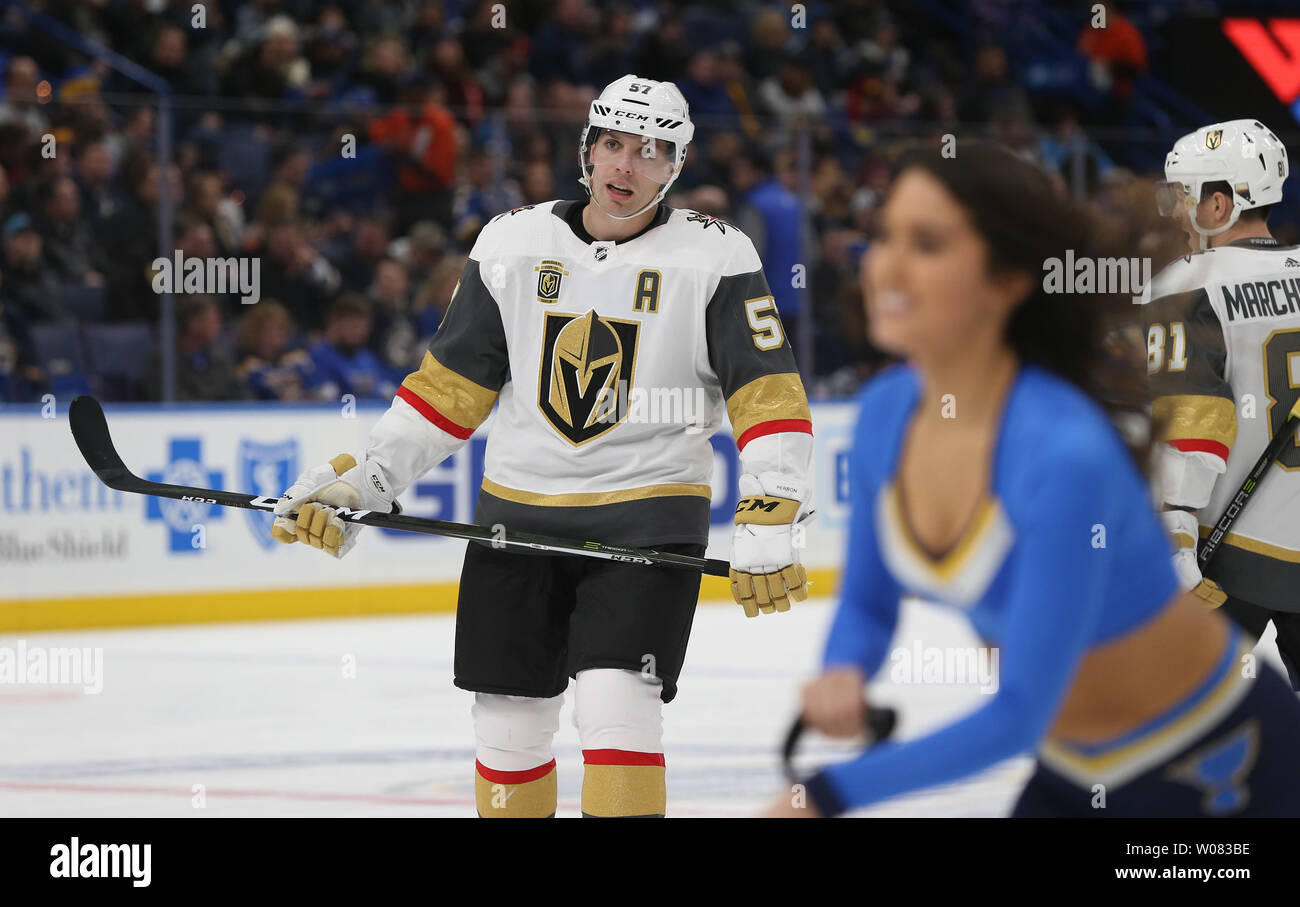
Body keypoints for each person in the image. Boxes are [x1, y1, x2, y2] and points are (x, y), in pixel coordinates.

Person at [271, 75, 814, 818]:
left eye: (651, 153)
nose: (626, 167)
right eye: (614, 145)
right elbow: (448, 390)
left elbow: (768, 393)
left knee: (616, 703)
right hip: (516, 517)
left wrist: (771, 503)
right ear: (586, 148)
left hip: (647, 518)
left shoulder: (714, 256)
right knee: (507, 723)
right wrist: (366, 480)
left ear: (677, 167)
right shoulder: (511, 242)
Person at [767, 141, 1300, 818]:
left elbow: (1020, 712)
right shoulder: (884, 413)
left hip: (1226, 768)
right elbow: (869, 603)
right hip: (1077, 769)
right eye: (884, 235)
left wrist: (825, 795)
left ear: (1008, 279)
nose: (885, 266)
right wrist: (846, 666)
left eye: (927, 244)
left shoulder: (1064, 452)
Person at [1144, 119, 1300, 688]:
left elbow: (1191, 420)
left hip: (1232, 560)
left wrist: (1175, 534)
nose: (1175, 211)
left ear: (1220, 203)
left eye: (1184, 196)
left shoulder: (1185, 284)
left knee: (1175, 728)